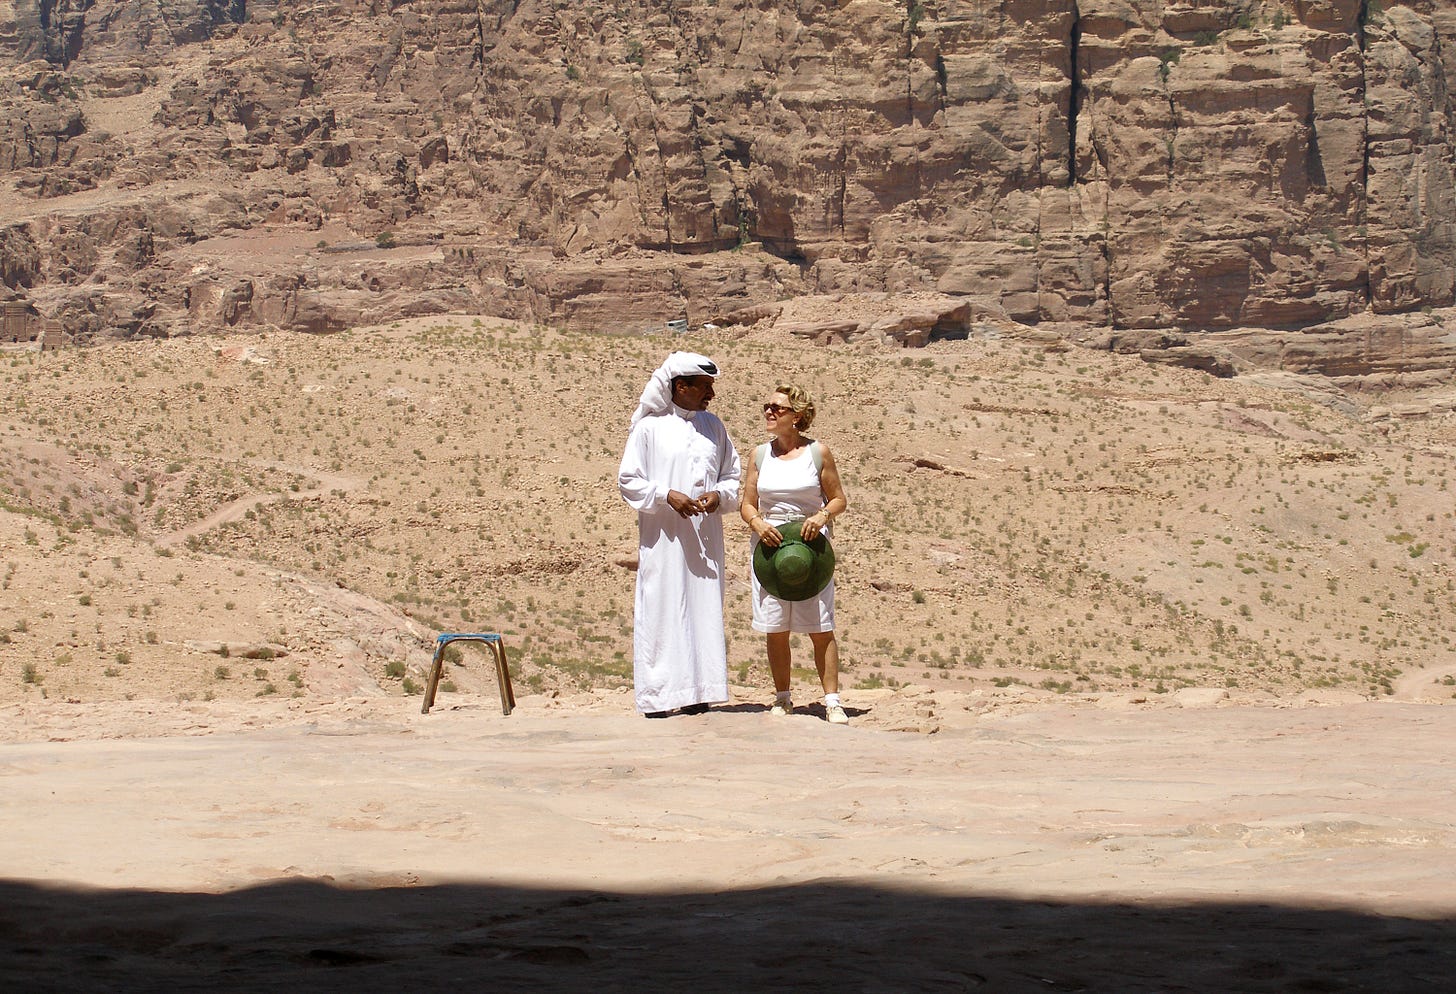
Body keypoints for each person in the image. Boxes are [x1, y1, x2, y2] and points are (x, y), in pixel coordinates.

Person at [618, 352, 741, 717]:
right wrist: (666, 495)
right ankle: (658, 697)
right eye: (704, 387)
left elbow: (732, 475)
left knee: (702, 610)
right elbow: (629, 480)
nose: (710, 395)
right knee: (661, 608)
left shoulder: (713, 426)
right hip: (664, 540)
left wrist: (718, 496)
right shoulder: (647, 429)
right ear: (680, 386)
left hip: (705, 539)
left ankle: (697, 693)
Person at [739, 382, 850, 723]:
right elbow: (747, 503)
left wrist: (822, 515)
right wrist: (757, 524)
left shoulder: (818, 452)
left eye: (778, 408)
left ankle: (831, 700)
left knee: (820, 625)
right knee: (776, 626)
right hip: (771, 546)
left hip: (810, 546)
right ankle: (783, 697)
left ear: (798, 416)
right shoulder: (759, 454)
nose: (769, 412)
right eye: (767, 407)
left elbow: (838, 498)